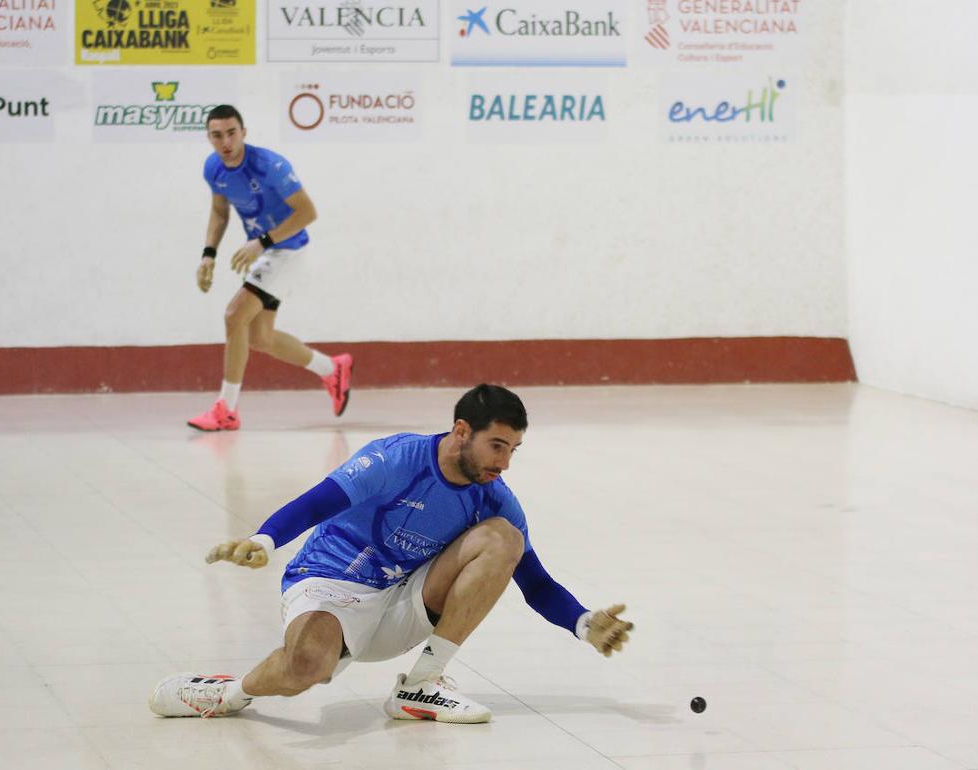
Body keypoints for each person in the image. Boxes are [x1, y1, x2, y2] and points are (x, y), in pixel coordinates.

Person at [150, 384, 634, 723]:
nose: (504, 463)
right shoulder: (397, 457)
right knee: (307, 669)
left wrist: (585, 623)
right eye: (497, 446)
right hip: (331, 581)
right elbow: (321, 499)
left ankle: (420, 686)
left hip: (404, 597)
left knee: (503, 538)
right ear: (462, 430)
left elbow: (536, 583)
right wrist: (264, 540)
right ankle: (227, 695)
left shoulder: (494, 496)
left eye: (514, 450)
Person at [188, 104, 352, 432]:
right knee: (259, 338)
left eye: (232, 133)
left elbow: (307, 213)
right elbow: (220, 213)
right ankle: (331, 369)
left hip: (287, 250)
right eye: (217, 136)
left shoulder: (271, 166)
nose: (226, 142)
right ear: (209, 138)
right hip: (266, 252)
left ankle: (226, 410)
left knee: (234, 316)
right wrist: (209, 253)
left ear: (244, 132)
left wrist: (261, 242)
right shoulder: (214, 169)